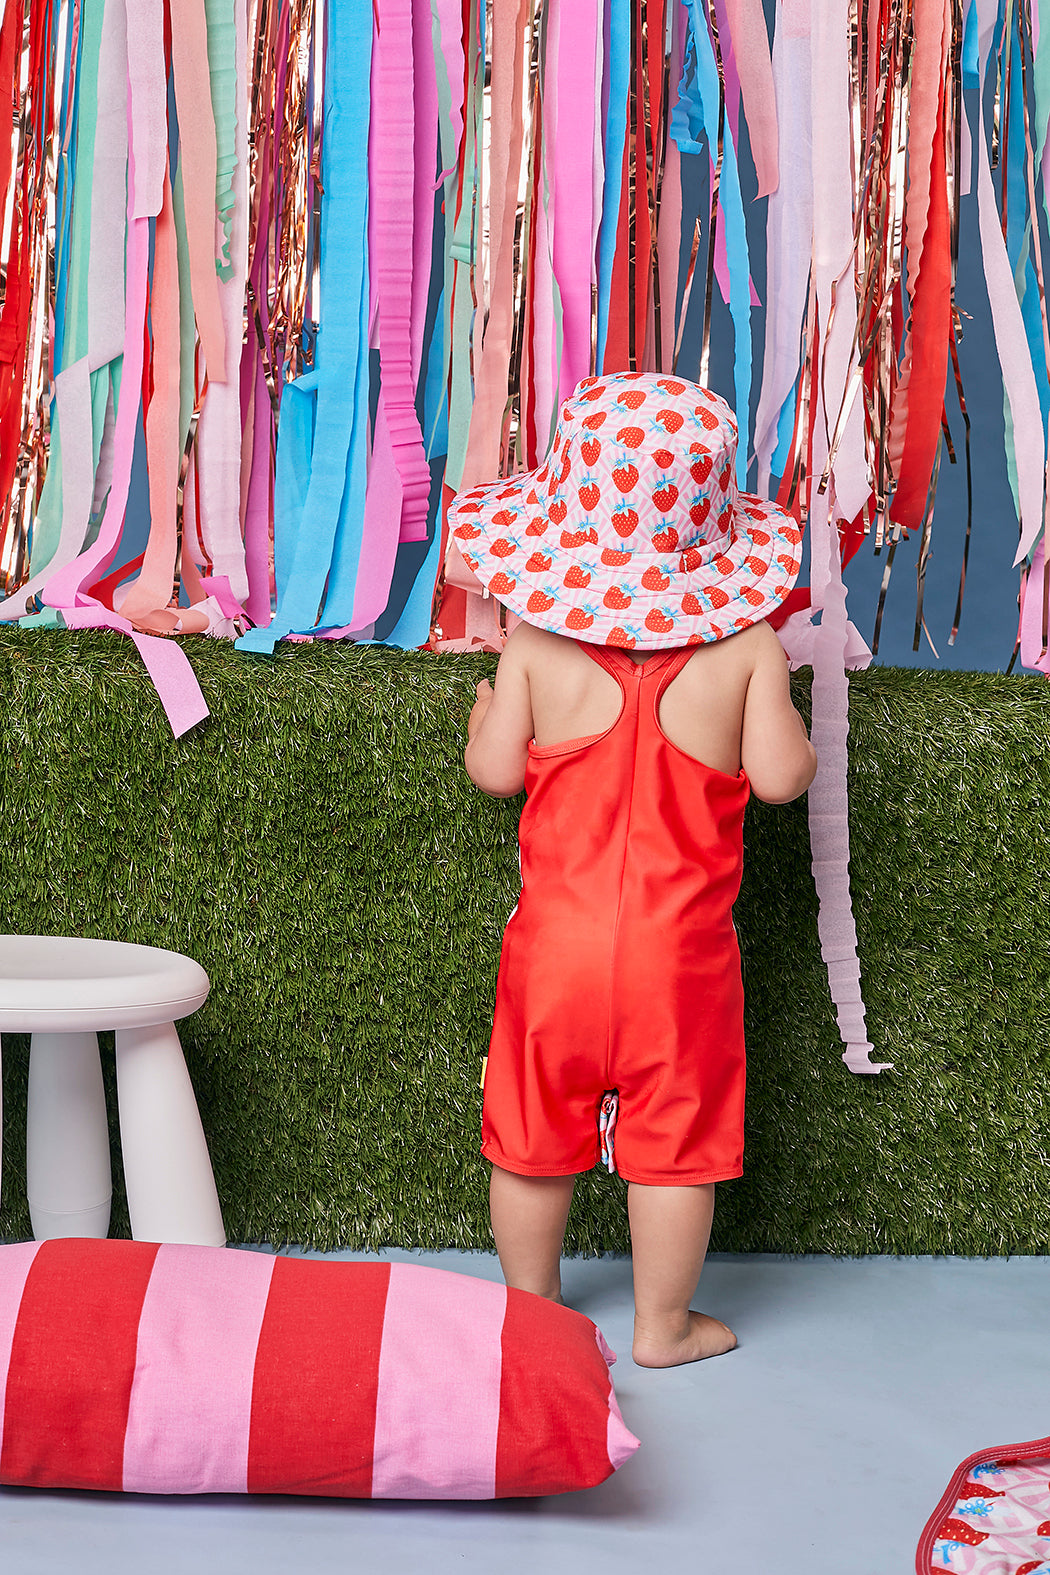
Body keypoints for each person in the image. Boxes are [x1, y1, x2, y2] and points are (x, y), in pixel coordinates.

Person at [453, 371, 817, 1368]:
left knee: (533, 1136)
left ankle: (532, 1311)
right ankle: (664, 1326)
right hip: (680, 962)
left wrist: (486, 719)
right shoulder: (748, 648)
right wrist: (783, 715)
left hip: (553, 956)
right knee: (673, 1148)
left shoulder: (536, 645)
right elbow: (781, 779)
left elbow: (495, 773)